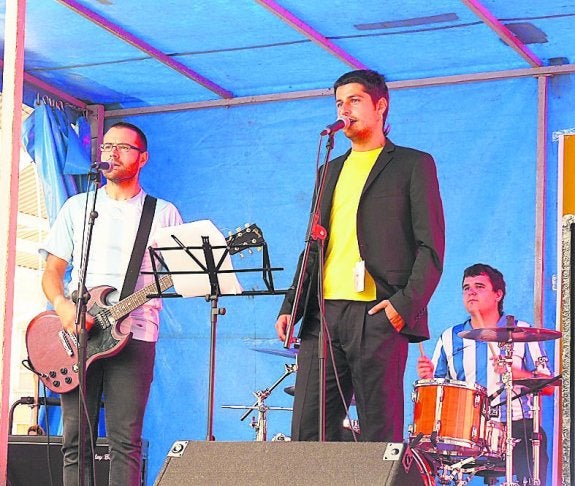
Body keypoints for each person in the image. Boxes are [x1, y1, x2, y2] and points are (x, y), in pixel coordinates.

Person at [275, 69, 445, 442]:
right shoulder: (329, 169)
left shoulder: (412, 164)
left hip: (377, 313)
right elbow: (313, 246)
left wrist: (403, 306)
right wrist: (291, 305)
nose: (344, 110)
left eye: (354, 100)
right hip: (322, 315)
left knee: (378, 437)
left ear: (380, 106)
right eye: (339, 103)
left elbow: (430, 248)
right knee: (307, 433)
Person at [40, 122, 183, 485]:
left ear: (143, 158)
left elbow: (183, 274)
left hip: (136, 335)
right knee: (75, 442)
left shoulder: (162, 213)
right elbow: (52, 271)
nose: (112, 154)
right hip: (80, 334)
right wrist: (63, 306)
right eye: (106, 147)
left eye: (123, 147)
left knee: (125, 442)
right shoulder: (78, 207)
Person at [417, 263, 552, 485]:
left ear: (498, 294)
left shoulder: (523, 333)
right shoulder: (449, 337)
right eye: (466, 287)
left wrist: (515, 373)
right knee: (424, 446)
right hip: (466, 429)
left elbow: (548, 386)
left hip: (517, 427)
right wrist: (429, 379)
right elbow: (440, 394)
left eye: (479, 286)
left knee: (534, 437)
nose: (471, 292)